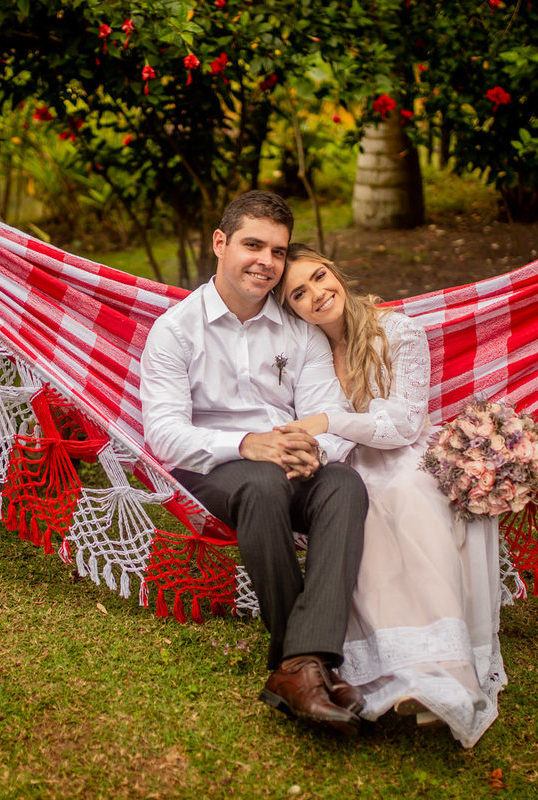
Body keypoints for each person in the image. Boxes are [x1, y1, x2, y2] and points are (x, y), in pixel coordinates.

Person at [140, 192, 369, 736]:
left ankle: (296, 667)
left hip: (292, 457)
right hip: (217, 467)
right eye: (252, 244)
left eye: (278, 251)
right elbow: (165, 435)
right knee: (263, 484)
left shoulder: (299, 330)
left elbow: (327, 413)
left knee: (347, 486)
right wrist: (249, 444)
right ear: (219, 244)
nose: (266, 261)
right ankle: (308, 663)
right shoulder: (175, 330)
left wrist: (311, 449)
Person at [275, 243, 505, 748]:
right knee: (359, 507)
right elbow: (323, 432)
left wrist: (330, 421)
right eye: (299, 293)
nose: (316, 294)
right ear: (290, 307)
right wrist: (312, 448)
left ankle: (443, 671)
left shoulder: (398, 330)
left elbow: (403, 423)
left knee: (408, 493)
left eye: (319, 277)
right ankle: (389, 671)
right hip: (351, 462)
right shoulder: (308, 353)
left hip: (407, 454)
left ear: (335, 270)